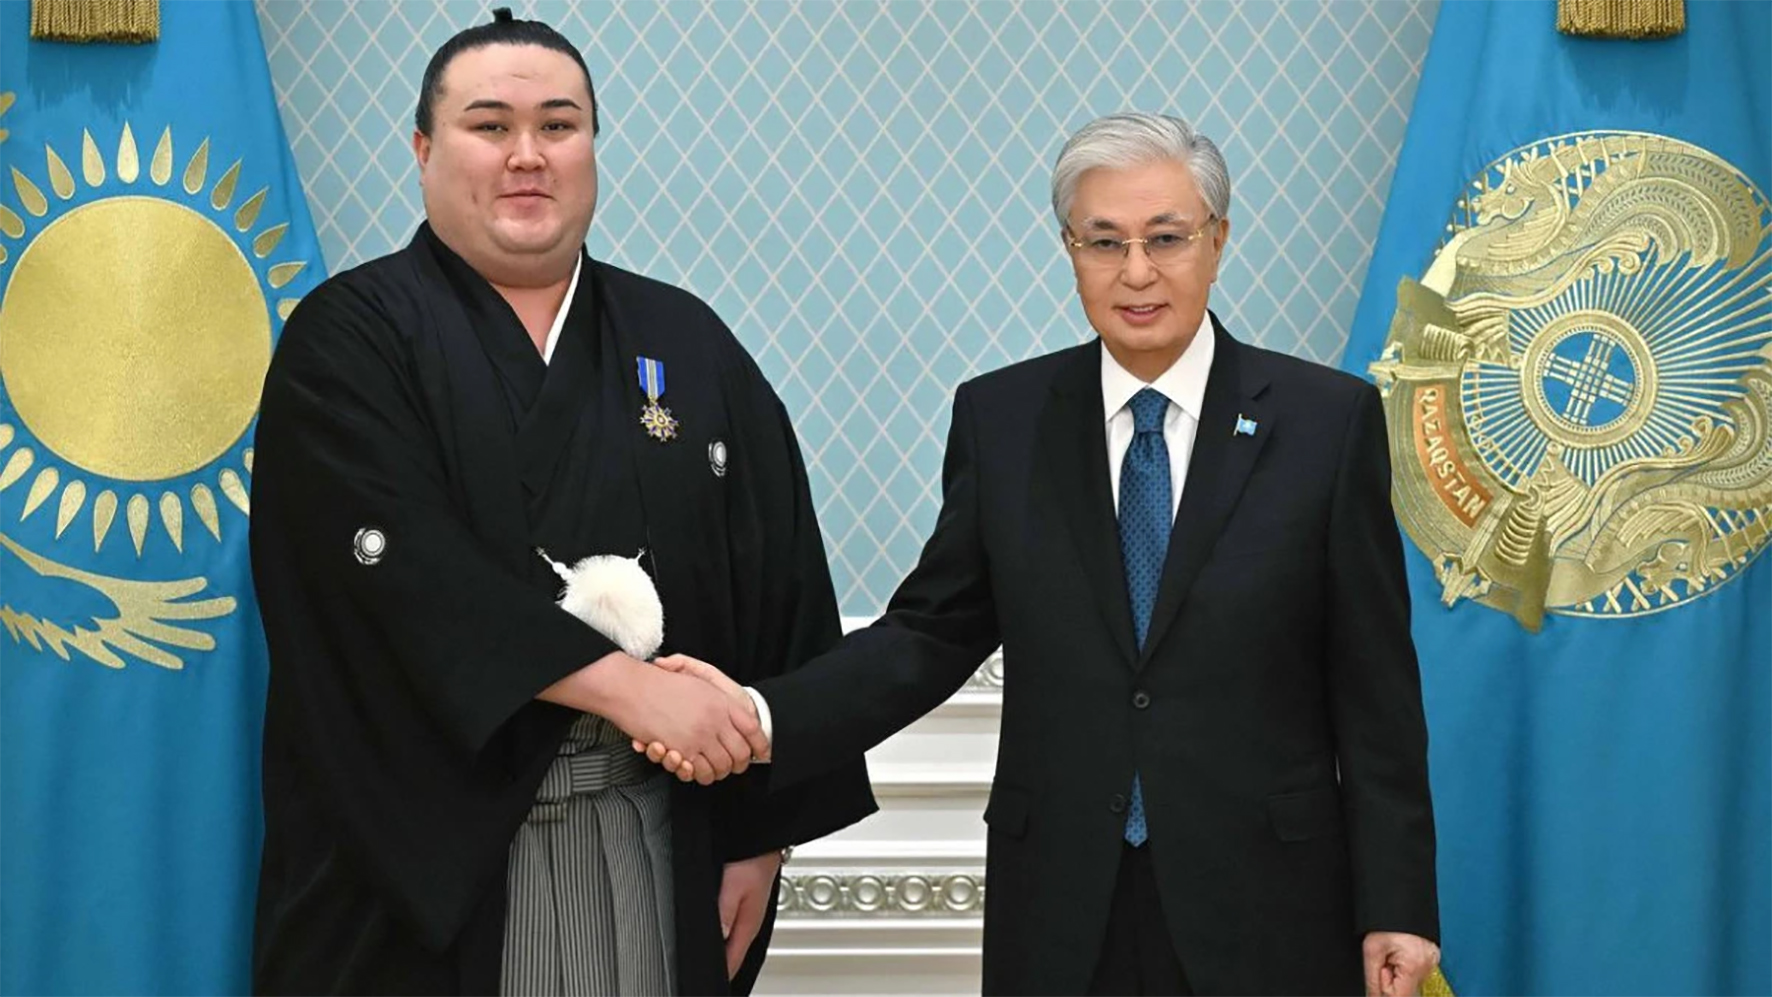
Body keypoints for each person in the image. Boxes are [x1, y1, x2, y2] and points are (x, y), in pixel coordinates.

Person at [643, 113, 1441, 996]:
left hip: (1269, 904)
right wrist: (763, 714)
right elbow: (926, 635)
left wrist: (1398, 903)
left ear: (1217, 241)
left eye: (1165, 238)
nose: (1136, 271)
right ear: (1070, 249)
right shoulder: (1004, 420)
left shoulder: (1326, 423)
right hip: (1063, 903)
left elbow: (1376, 692)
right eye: (1104, 242)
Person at [248, 10, 874, 995]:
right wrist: (629, 689)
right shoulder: (351, 337)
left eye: (558, 125)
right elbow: (402, 576)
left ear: (592, 145)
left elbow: (776, 577)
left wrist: (763, 832)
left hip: (661, 827)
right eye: (489, 126)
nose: (527, 156)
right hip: (427, 860)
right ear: (423, 149)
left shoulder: (685, 338)